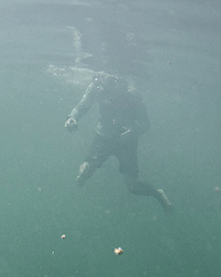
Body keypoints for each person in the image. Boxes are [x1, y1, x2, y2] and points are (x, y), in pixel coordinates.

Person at [65, 75, 172, 213]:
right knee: (86, 170)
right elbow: (82, 107)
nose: (105, 85)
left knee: (132, 186)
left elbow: (145, 124)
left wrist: (133, 131)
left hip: (126, 141)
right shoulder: (97, 87)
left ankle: (158, 194)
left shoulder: (132, 93)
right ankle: (78, 185)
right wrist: (72, 117)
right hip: (103, 136)